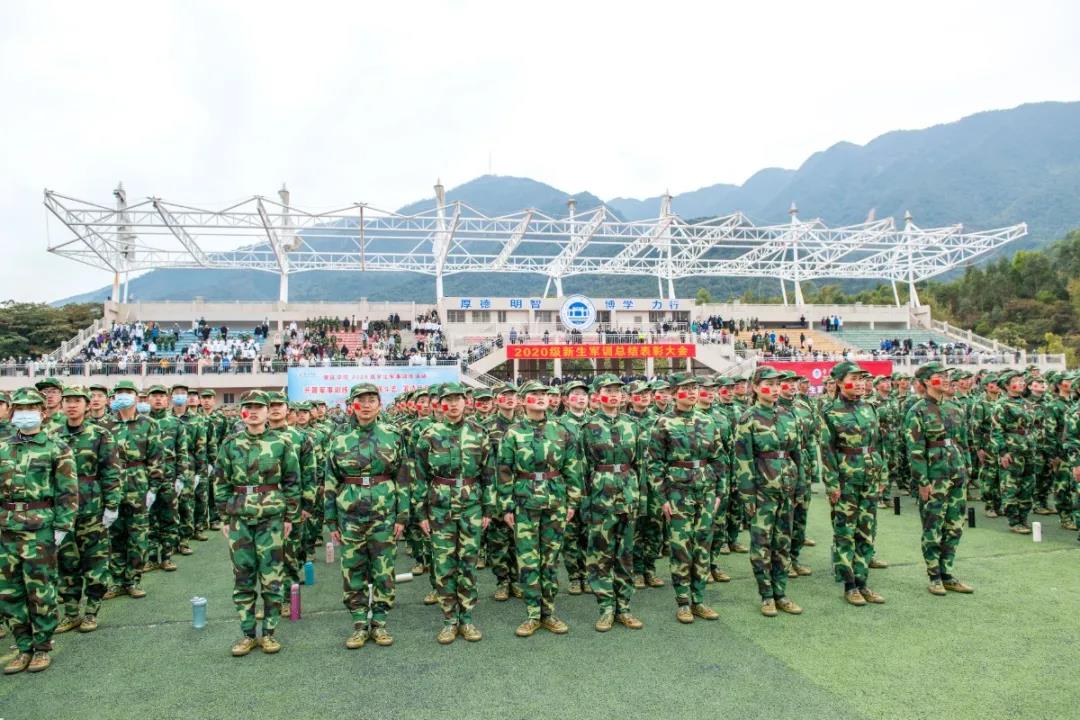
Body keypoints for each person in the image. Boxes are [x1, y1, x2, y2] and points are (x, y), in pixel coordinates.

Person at [214, 391, 301, 657]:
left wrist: (290, 516)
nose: (253, 412)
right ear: (242, 412)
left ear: (267, 411)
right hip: (239, 517)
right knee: (243, 576)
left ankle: (270, 633)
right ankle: (248, 634)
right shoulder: (230, 444)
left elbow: (292, 481)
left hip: (271, 517)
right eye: (248, 407)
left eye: (258, 407)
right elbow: (221, 482)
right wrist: (224, 517)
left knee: (272, 576)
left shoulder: (281, 443)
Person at [0, 388, 77, 674]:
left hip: (40, 529)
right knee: (9, 592)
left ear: (43, 413)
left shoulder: (57, 447)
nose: (25, 413)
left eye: (31, 408)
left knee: (40, 590)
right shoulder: (3, 448)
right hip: (6, 528)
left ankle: (42, 647)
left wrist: (63, 526)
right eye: (20, 408)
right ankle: (23, 647)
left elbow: (68, 491)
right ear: (12, 414)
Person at [325, 383, 408, 649]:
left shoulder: (393, 436)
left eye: (372, 399)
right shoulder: (339, 438)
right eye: (361, 400)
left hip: (384, 514)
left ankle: (380, 622)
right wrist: (331, 520)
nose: (367, 405)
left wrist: (402, 516)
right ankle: (360, 624)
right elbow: (330, 480)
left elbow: (403, 477)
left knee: (384, 570)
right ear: (352, 406)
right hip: (349, 516)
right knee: (353, 570)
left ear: (380, 405)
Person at [498, 380, 583, 637]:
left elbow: (572, 468)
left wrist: (573, 501)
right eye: (534, 394)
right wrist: (506, 506)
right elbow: (504, 470)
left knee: (550, 560)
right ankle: (533, 614)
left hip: (555, 502)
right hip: (524, 503)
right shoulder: (513, 433)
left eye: (544, 394)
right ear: (523, 401)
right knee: (528, 560)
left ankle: (549, 613)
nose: (540, 397)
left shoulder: (561, 430)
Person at [412, 383, 494, 644]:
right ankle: (449, 620)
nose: (454, 404)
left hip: (471, 507)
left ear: (466, 402)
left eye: (459, 398)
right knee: (444, 565)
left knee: (468, 564)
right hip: (440, 508)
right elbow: (419, 476)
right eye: (449, 399)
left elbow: (489, 474)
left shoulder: (479, 433)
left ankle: (466, 619)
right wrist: (421, 514)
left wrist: (488, 509)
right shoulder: (428, 435)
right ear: (440, 405)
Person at [647, 374, 725, 624]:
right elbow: (654, 463)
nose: (692, 392)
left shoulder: (708, 420)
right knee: (681, 547)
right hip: (678, 492)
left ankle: (698, 600)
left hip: (706, 489)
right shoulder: (663, 423)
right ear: (673, 393)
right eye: (685, 388)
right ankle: (683, 601)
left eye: (694, 388)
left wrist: (719, 492)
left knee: (703, 544)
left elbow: (718, 458)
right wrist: (662, 497)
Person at [734, 367, 803, 617]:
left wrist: (800, 487)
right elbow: (743, 459)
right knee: (761, 544)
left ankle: (781, 593)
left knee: (783, 542)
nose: (774, 389)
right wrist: (748, 495)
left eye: (777, 385)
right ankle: (766, 595)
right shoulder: (748, 418)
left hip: (787, 488)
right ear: (755, 387)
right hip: (762, 491)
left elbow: (797, 453)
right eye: (768, 384)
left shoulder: (787, 415)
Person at [580, 374, 645, 632]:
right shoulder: (588, 427)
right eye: (608, 390)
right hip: (600, 496)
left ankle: (624, 608)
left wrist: (641, 499)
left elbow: (640, 464)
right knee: (601, 554)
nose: (614, 395)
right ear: (597, 395)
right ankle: (606, 608)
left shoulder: (632, 425)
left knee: (626, 553)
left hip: (628, 494)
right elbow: (582, 468)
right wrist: (585, 503)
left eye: (618, 390)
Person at [903, 362, 974, 596]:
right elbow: (915, 450)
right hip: (934, 477)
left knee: (955, 526)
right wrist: (922, 481)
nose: (945, 379)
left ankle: (947, 573)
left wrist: (967, 468)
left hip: (956, 473)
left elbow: (963, 441)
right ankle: (934, 576)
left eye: (946, 375)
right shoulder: (917, 410)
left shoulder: (955, 408)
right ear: (926, 382)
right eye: (939, 376)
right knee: (933, 526)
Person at [54, 386, 121, 635]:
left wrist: (112, 505)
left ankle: (91, 611)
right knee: (66, 563)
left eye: (77, 401)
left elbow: (111, 471)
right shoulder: (52, 435)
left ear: (86, 405)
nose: (72, 405)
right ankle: (71, 613)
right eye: (67, 401)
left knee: (95, 561)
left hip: (92, 508)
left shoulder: (100, 434)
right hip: (62, 510)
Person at [820, 362, 885, 607]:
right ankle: (850, 585)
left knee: (867, 531)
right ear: (839, 382)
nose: (859, 383)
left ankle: (862, 580)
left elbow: (879, 444)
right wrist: (832, 484)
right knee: (845, 532)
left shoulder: (869, 408)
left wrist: (883, 475)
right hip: (846, 479)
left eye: (861, 379)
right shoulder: (830, 412)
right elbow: (827, 451)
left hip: (870, 476)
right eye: (853, 379)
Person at [102, 380, 163, 601]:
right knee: (114, 535)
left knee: (138, 536)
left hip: (139, 484)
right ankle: (117, 581)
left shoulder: (149, 424)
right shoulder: (105, 426)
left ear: (136, 397)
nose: (123, 396)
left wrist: (154, 487)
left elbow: (156, 458)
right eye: (119, 392)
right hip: (113, 486)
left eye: (128, 392)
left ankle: (133, 580)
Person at [992, 370, 1036, 534]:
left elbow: (1032, 427)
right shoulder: (1002, 404)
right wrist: (1003, 452)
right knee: (1010, 486)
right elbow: (996, 431)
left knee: (1028, 486)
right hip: (1012, 451)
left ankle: (1023, 518)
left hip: (1028, 450)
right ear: (1007, 385)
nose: (1022, 383)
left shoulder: (1027, 403)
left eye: (1022, 380)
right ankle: (1014, 521)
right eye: (1017, 380)